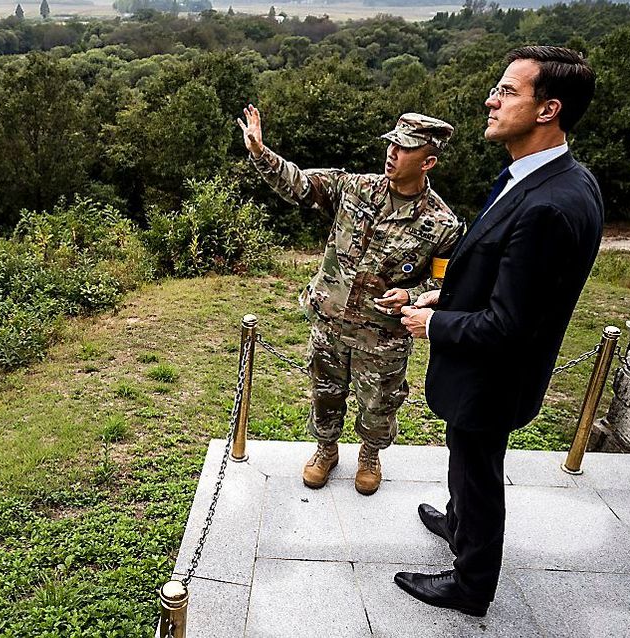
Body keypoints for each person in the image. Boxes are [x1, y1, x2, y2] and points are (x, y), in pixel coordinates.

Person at [394, 46, 603, 616]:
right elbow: (518, 282)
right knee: (466, 460)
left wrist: (433, 320)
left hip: (493, 377)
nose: (491, 100)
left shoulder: (550, 204)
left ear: (547, 109)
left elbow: (509, 326)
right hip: (493, 372)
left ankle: (471, 582)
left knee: (478, 470)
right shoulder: (554, 176)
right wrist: (453, 293)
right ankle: (459, 523)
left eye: (508, 92)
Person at [238, 107, 463, 495]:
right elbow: (301, 186)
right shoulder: (354, 188)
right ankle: (326, 450)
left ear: (428, 161)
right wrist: (261, 152)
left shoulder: (442, 223)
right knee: (325, 394)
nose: (392, 153)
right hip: (330, 321)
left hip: (383, 336)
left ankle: (370, 454)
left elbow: (446, 283)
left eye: (404, 148)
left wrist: (411, 294)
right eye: (392, 144)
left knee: (378, 404)